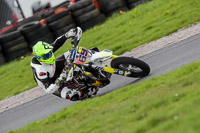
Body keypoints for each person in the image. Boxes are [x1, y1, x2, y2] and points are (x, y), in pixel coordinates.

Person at [31, 27, 96, 101]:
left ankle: (93, 58)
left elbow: (57, 43)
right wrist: (59, 80)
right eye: (46, 56)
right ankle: (87, 91)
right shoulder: (40, 71)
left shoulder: (45, 51)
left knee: (72, 53)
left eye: (49, 53)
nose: (49, 55)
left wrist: (67, 35)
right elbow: (49, 89)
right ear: (39, 58)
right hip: (53, 82)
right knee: (72, 95)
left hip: (54, 66)